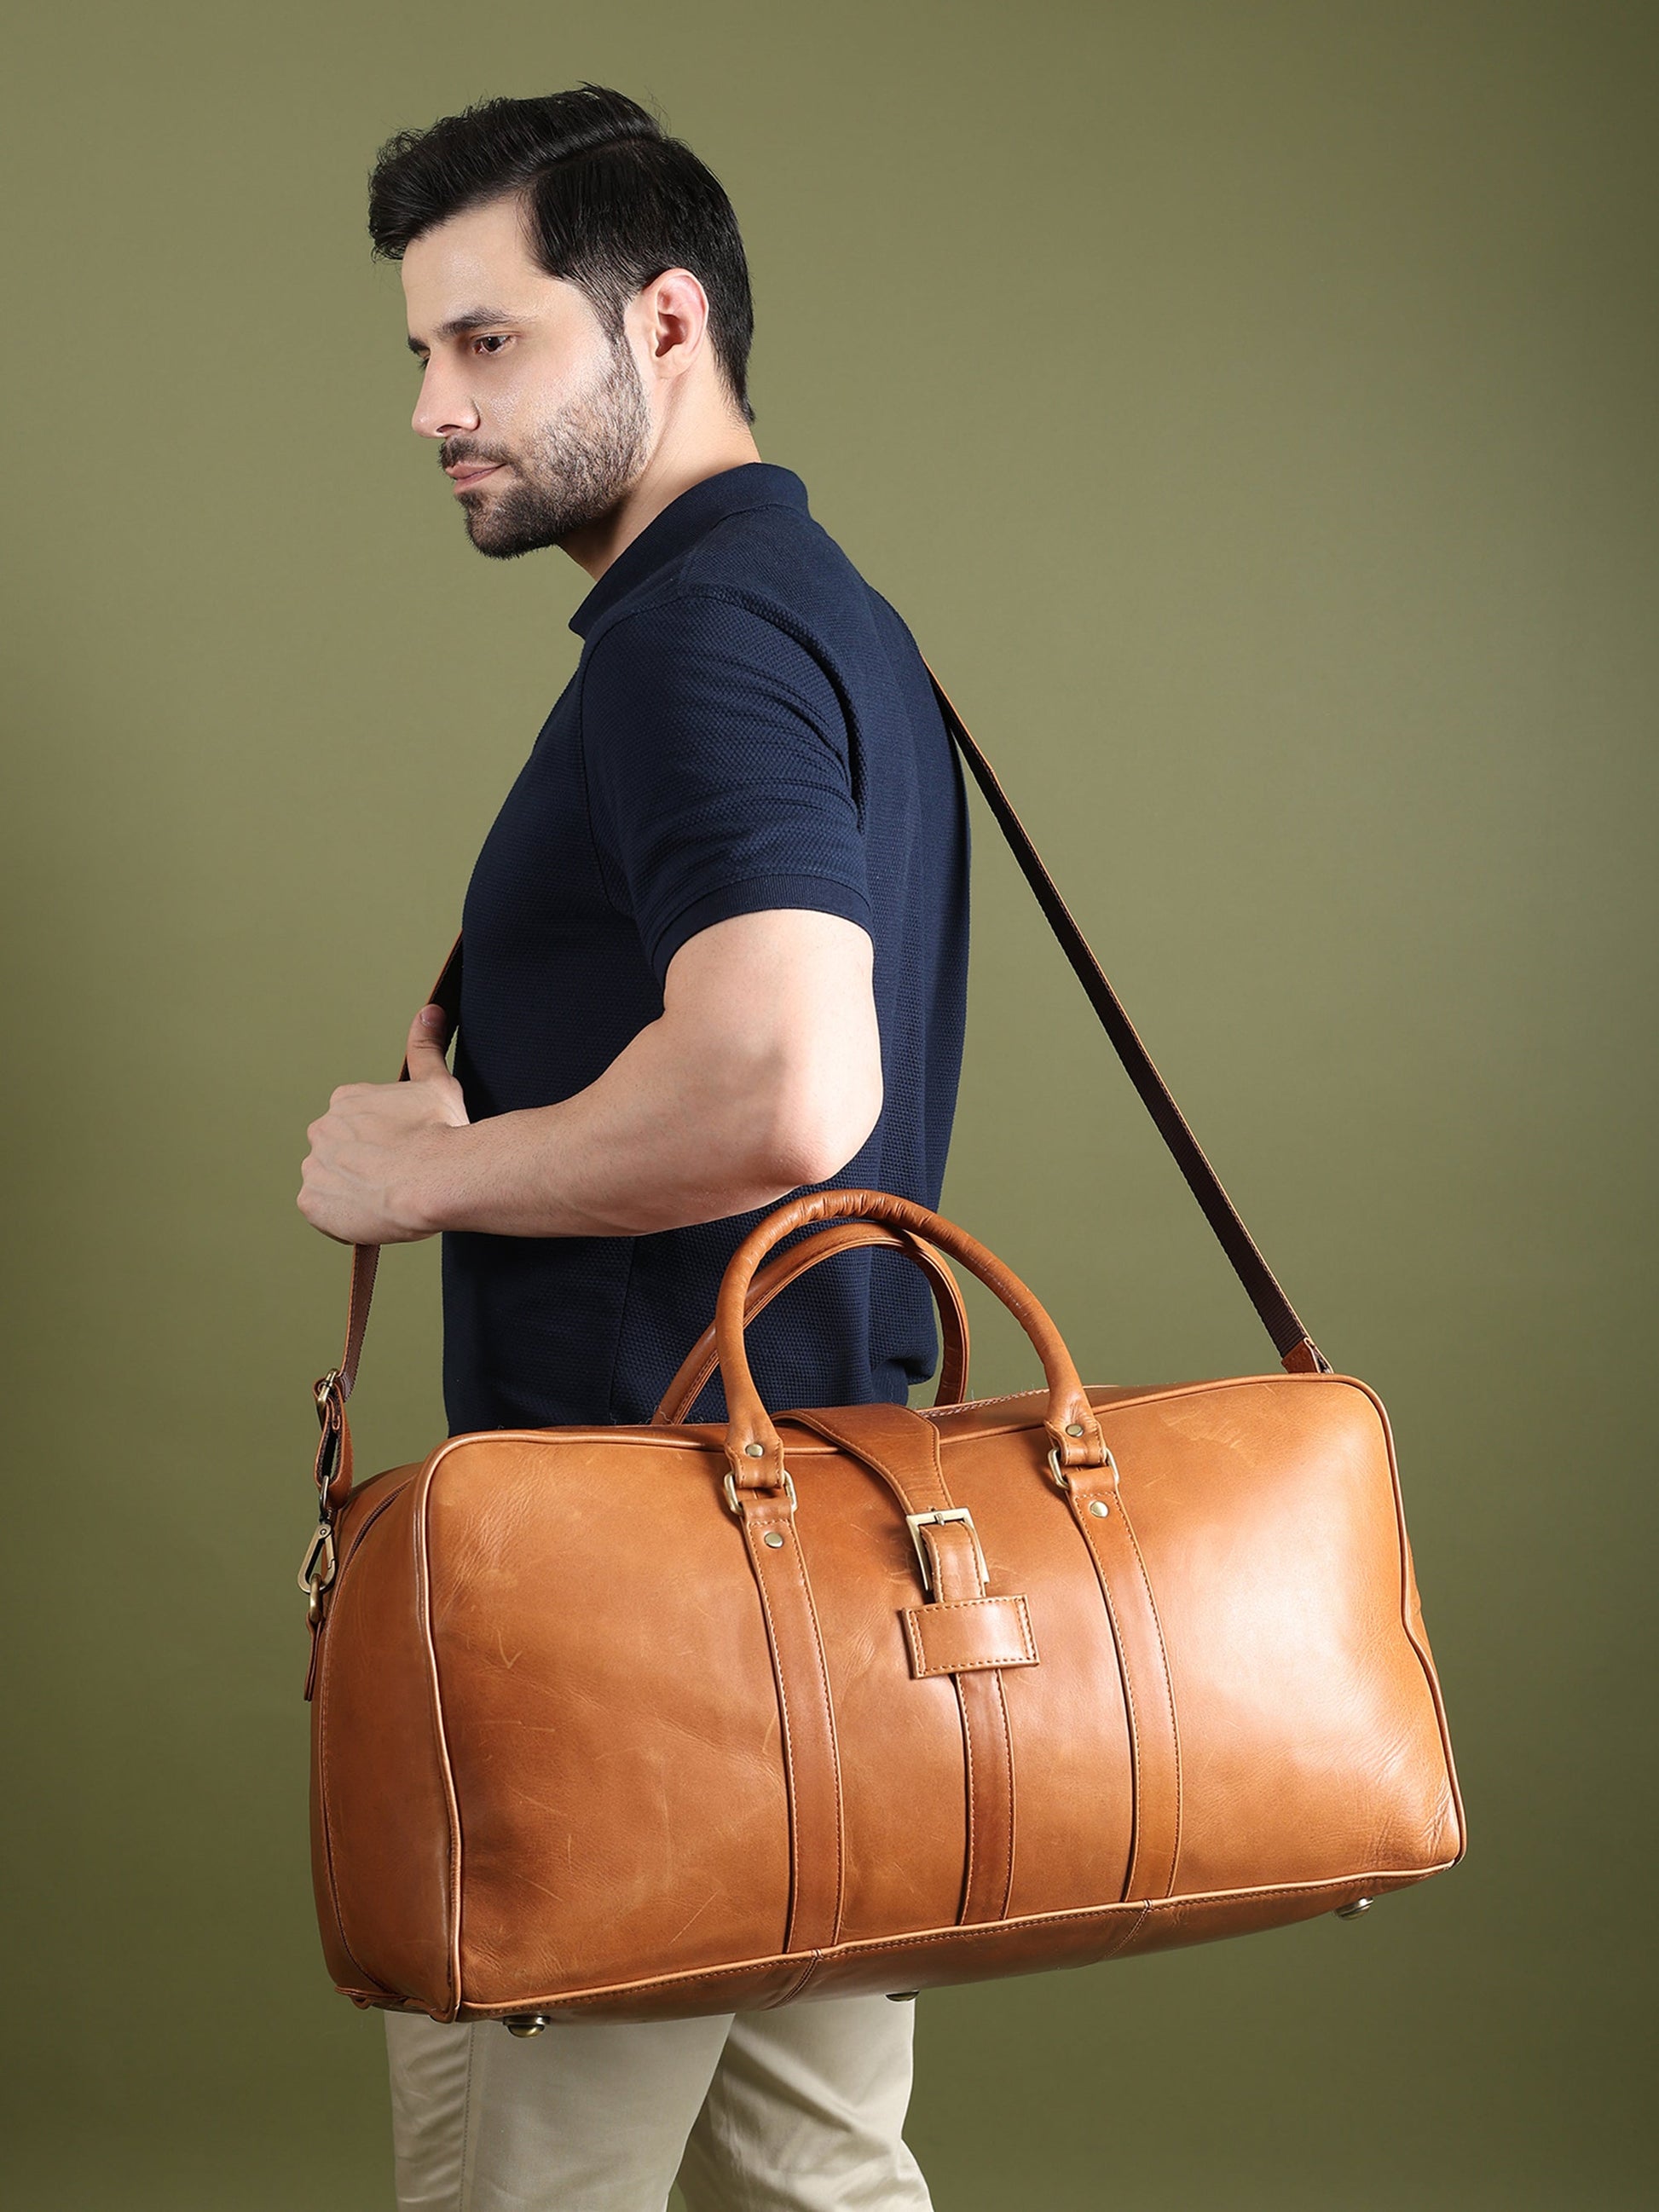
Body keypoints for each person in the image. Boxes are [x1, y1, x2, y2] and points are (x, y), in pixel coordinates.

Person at [297, 83, 970, 2212]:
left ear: (663, 321)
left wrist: (421, 1175)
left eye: (486, 341)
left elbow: (783, 1084)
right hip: (823, 1567)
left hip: (637, 1608)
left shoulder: (700, 643)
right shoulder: (825, 613)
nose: (433, 406)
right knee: (817, 2181)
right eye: (423, 350)